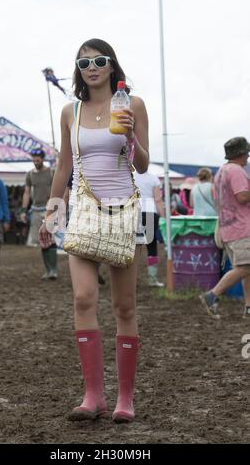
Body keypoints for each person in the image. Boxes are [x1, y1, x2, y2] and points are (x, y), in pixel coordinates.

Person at [39, 38, 149, 422]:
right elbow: (64, 167)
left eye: (100, 60)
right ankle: (92, 396)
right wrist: (51, 215)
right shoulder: (71, 111)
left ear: (112, 65)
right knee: (84, 299)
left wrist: (132, 137)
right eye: (84, 62)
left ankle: (125, 398)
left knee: (123, 306)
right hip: (83, 212)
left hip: (123, 211)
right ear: (79, 70)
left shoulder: (132, 105)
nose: (92, 67)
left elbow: (143, 166)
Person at [199, 137, 250, 319]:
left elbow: (217, 198)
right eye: (246, 152)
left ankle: (248, 307)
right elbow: (243, 196)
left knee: (243, 268)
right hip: (241, 227)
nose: (248, 156)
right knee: (245, 267)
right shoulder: (237, 171)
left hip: (227, 227)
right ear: (241, 153)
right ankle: (211, 295)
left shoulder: (221, 172)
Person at [21, 148, 57, 279]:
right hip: (36, 209)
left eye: (38, 159)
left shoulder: (51, 172)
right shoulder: (29, 175)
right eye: (34, 159)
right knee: (42, 240)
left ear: (42, 158)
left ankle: (54, 270)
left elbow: (57, 188)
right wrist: (23, 210)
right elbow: (26, 192)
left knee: (51, 239)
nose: (35, 162)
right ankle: (48, 270)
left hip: (49, 209)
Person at [134, 170, 165, 286]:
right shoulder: (153, 178)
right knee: (151, 246)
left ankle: (130, 279)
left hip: (134, 212)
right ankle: (152, 279)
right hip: (150, 213)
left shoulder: (131, 175)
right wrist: (163, 217)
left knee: (133, 246)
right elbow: (158, 199)